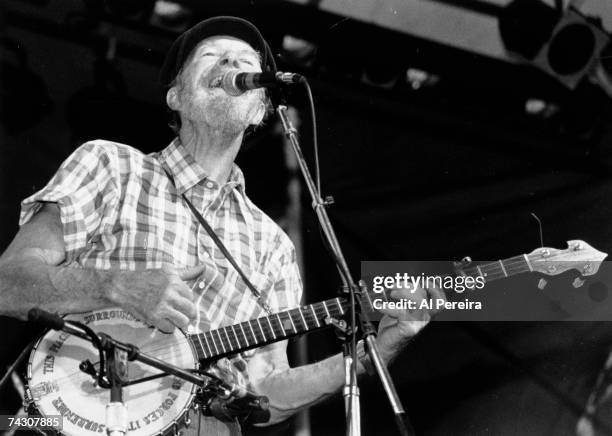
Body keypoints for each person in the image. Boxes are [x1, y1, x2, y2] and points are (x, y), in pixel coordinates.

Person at [0, 16, 441, 435]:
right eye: (211, 55)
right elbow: (7, 283)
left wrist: (369, 358)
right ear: (175, 96)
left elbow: (266, 392)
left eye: (248, 61)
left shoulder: (273, 245)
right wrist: (113, 284)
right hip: (78, 419)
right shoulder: (111, 166)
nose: (232, 63)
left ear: (260, 109)